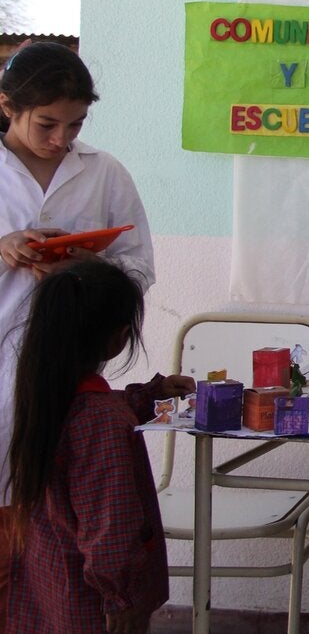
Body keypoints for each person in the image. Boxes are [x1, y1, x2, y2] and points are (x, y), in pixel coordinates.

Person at [0, 41, 156, 626]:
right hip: (4, 372)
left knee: (56, 540)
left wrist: (82, 268)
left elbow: (139, 267)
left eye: (75, 124)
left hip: (67, 377)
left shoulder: (105, 172)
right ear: (7, 106)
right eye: (46, 124)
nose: (61, 139)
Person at [6, 259, 192, 633]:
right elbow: (111, 521)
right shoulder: (101, 421)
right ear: (120, 338)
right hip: (94, 602)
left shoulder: (45, 396)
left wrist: (148, 396)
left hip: (50, 579)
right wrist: (119, 595)